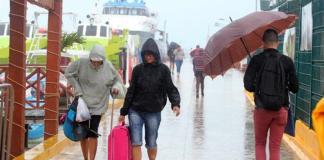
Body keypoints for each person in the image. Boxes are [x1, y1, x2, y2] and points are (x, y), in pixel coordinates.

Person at [118, 38, 181, 160]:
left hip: (154, 112)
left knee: (151, 143)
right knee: (136, 141)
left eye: (151, 54)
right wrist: (123, 112)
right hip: (135, 111)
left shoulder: (163, 70)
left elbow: (170, 88)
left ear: (156, 54)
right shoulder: (138, 70)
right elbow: (131, 91)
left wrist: (175, 104)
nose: (148, 57)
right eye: (146, 54)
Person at [244, 29, 298, 160]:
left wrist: (259, 86)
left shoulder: (256, 60)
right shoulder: (287, 61)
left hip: (262, 110)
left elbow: (248, 85)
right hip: (281, 110)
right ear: (277, 43)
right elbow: (295, 88)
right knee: (275, 148)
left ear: (263, 43)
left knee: (260, 144)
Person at [65, 45, 125, 160]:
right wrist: (76, 87)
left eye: (99, 62)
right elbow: (68, 72)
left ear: (103, 60)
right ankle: (85, 158)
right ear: (90, 58)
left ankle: (91, 159)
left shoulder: (108, 67)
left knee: (93, 132)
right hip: (83, 103)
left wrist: (115, 87)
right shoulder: (81, 63)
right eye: (93, 61)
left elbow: (117, 80)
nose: (96, 64)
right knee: (82, 133)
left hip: (98, 104)